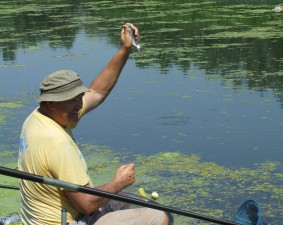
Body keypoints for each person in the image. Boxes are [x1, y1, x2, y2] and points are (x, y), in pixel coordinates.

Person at [18, 23, 170, 225]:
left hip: (54, 213)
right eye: (71, 99)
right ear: (51, 103)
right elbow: (87, 204)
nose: (78, 104)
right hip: (70, 220)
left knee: (138, 201)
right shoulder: (57, 144)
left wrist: (125, 50)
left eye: (79, 96)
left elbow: (97, 92)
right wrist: (118, 183)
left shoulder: (39, 117)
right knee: (161, 217)